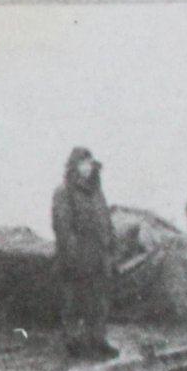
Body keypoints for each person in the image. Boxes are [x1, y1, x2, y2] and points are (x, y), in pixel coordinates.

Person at [52, 146, 118, 360]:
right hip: (77, 256)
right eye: (82, 163)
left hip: (99, 255)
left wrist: (111, 246)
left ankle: (98, 340)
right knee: (73, 301)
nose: (87, 167)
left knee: (99, 301)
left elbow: (106, 221)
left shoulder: (97, 192)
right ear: (73, 166)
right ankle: (73, 343)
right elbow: (63, 227)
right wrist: (73, 256)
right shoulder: (64, 192)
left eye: (89, 163)